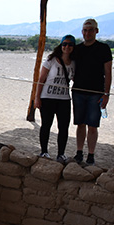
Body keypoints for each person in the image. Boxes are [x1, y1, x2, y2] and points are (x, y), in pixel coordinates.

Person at [71, 18, 113, 166]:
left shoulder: (103, 49)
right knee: (80, 124)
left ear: (96, 31)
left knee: (93, 125)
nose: (87, 33)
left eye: (90, 30)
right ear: (82, 32)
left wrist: (106, 94)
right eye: (85, 30)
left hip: (96, 92)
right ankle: (79, 151)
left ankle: (91, 154)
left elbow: (108, 72)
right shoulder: (77, 49)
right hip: (78, 91)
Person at [34, 35, 76, 163]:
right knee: (46, 125)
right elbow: (41, 80)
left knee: (63, 127)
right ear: (61, 45)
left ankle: (61, 154)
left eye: (70, 45)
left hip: (64, 98)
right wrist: (37, 98)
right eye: (64, 44)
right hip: (48, 97)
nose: (67, 47)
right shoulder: (51, 60)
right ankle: (44, 151)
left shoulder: (74, 63)